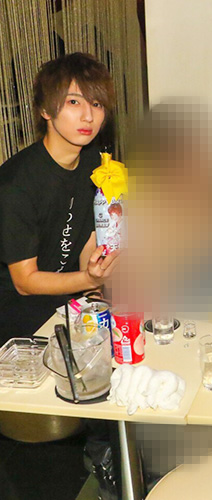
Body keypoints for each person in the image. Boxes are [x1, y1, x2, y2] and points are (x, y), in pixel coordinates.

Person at [0, 52, 118, 342]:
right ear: (45, 110)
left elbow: (87, 236)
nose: (88, 116)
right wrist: (89, 279)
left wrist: (95, 296)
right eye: (74, 102)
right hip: (16, 321)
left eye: (97, 104)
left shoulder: (93, 163)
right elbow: (25, 282)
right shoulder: (16, 183)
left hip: (66, 306)